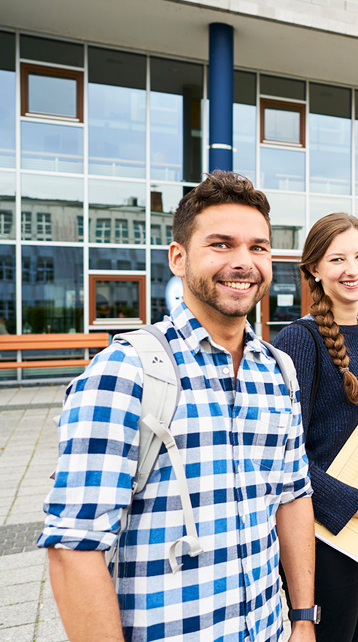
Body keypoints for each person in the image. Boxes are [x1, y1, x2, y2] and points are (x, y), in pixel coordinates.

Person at [39, 171, 317, 642]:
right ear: (179, 257)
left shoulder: (278, 371)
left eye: (258, 247)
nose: (243, 262)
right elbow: (74, 546)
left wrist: (304, 620)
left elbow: (292, 498)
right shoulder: (124, 372)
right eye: (221, 245)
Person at [272, 213, 358, 642]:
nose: (352, 269)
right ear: (314, 268)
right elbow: (286, 457)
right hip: (322, 529)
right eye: (337, 259)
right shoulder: (300, 339)